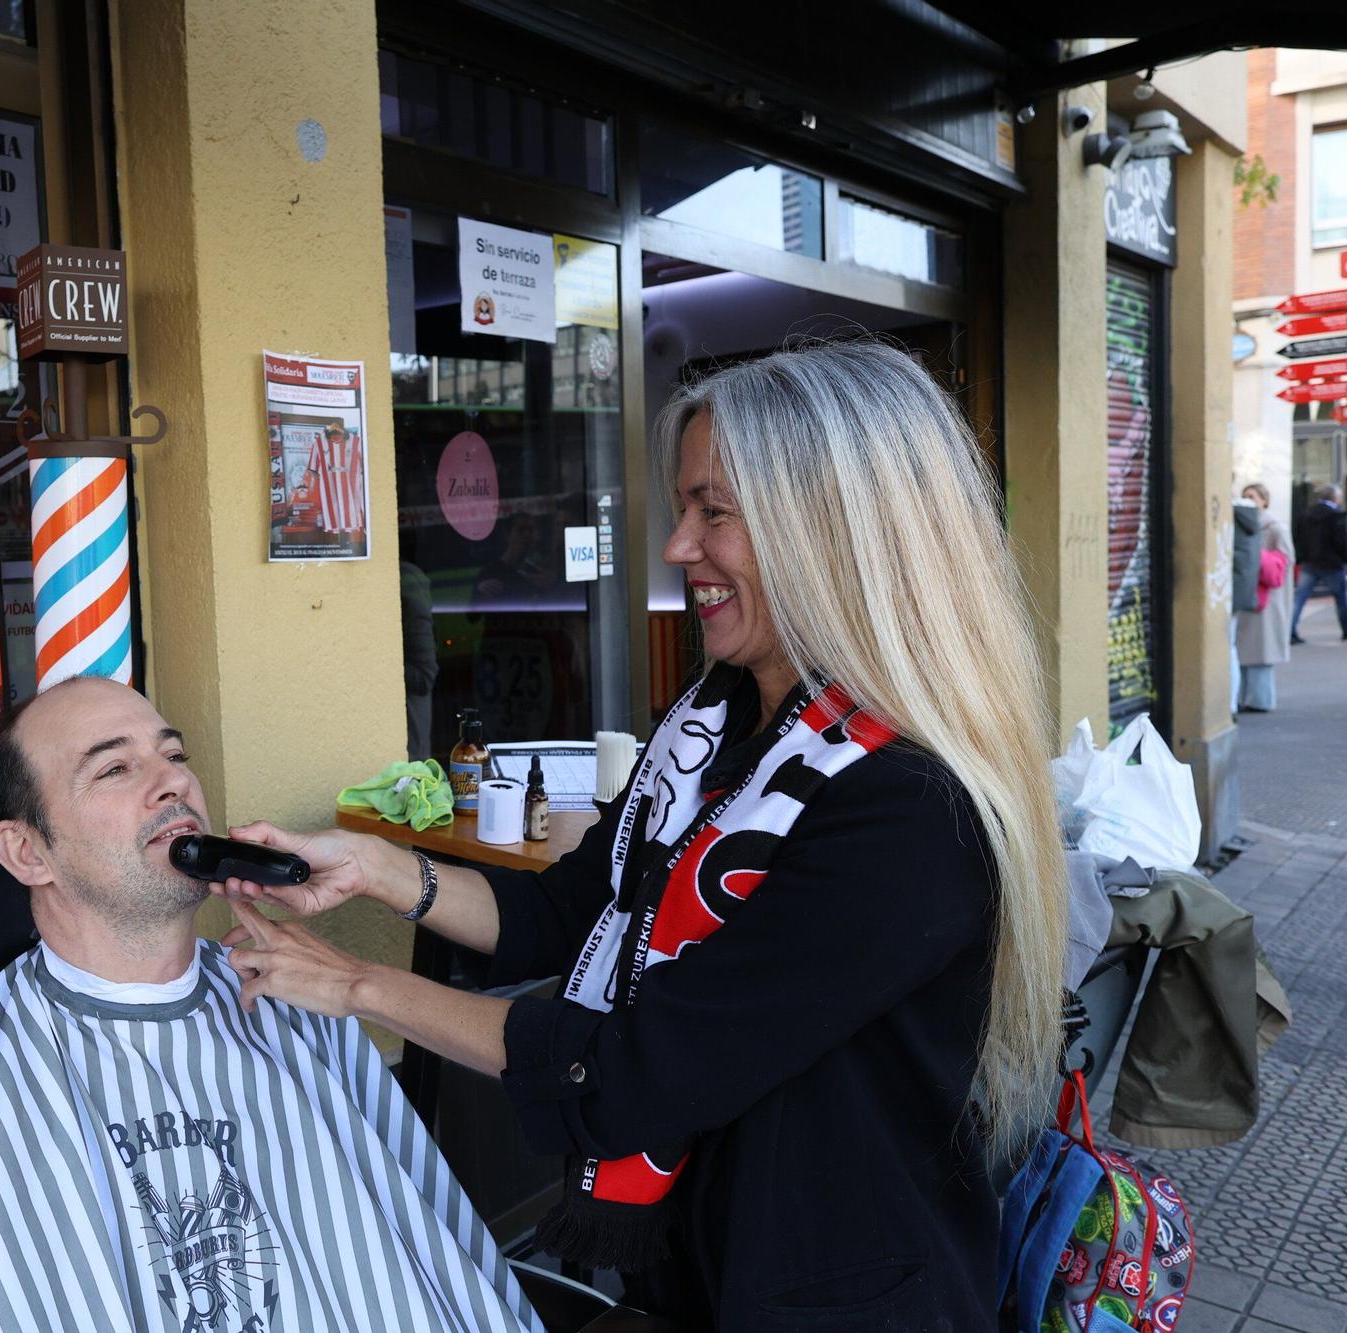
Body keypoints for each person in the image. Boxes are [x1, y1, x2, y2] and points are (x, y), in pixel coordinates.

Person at [215, 342, 1067, 1331]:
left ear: (833, 530)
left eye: (715, 512)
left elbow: (631, 1070)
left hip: (836, 1293)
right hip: (693, 1263)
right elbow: (567, 912)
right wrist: (379, 868)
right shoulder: (714, 721)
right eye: (683, 508)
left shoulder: (906, 803)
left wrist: (354, 985)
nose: (677, 547)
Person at [0, 675, 543, 1333]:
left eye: (174, 755)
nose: (173, 785)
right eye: (117, 768)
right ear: (29, 853)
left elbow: (423, 1257)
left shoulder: (299, 1002)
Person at [1237, 482, 1294, 710]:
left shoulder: (1275, 528)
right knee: (1245, 649)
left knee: (1262, 650)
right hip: (1251, 594)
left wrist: (1257, 556)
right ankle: (1246, 698)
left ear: (1264, 500)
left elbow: (1284, 562)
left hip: (1267, 597)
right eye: (1244, 496)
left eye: (1252, 496)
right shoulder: (1243, 524)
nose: (1248, 501)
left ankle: (1259, 700)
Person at [1290, 483, 1347, 644]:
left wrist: (1301, 557)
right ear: (1335, 498)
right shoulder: (1336, 515)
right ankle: (1346, 630)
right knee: (1341, 598)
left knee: (1299, 599)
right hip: (1332, 564)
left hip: (1309, 563)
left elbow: (1297, 537)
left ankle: (1289, 632)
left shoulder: (1306, 514)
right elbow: (1341, 541)